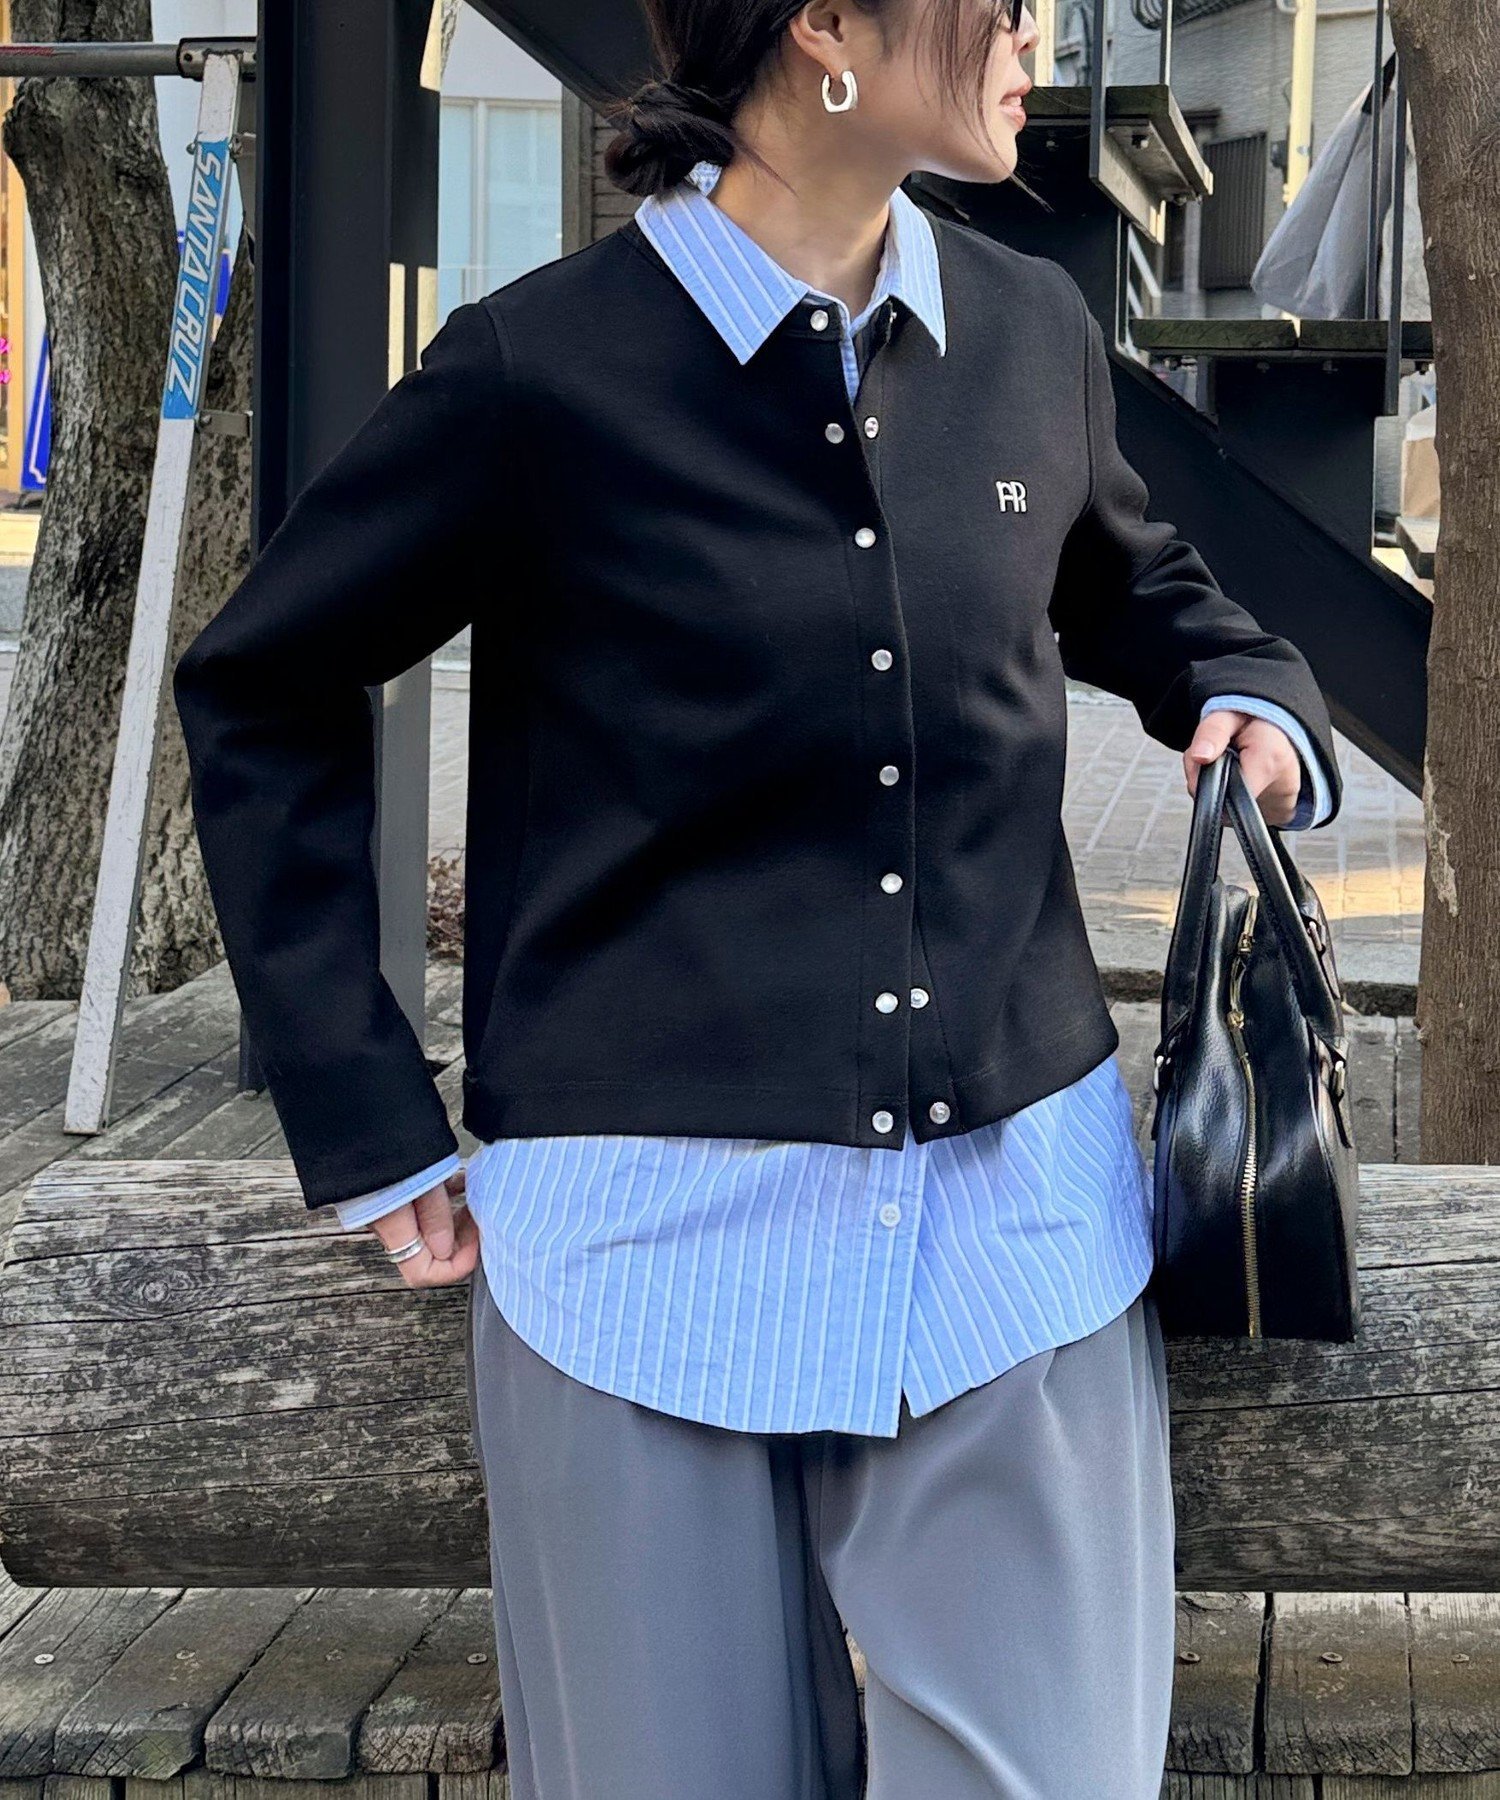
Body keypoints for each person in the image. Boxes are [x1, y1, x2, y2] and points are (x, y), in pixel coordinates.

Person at [172, 0, 1342, 1794]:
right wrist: (357, 1102)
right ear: (826, 25)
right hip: (637, 1274)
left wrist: (1250, 694)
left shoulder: (1029, 327)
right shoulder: (539, 371)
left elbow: (1126, 579)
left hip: (1012, 1249)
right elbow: (264, 683)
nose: (1035, 26)